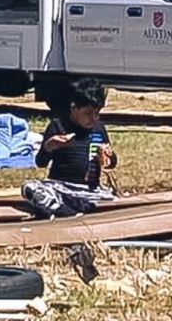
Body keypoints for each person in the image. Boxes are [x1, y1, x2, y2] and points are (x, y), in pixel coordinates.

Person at [22, 79, 118, 218]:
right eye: (88, 113)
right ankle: (63, 209)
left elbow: (111, 163)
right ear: (74, 108)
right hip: (60, 186)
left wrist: (108, 158)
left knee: (113, 200)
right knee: (29, 188)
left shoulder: (98, 129)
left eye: (97, 113)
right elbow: (40, 162)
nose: (94, 118)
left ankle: (67, 207)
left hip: (89, 190)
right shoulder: (58, 126)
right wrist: (49, 147)